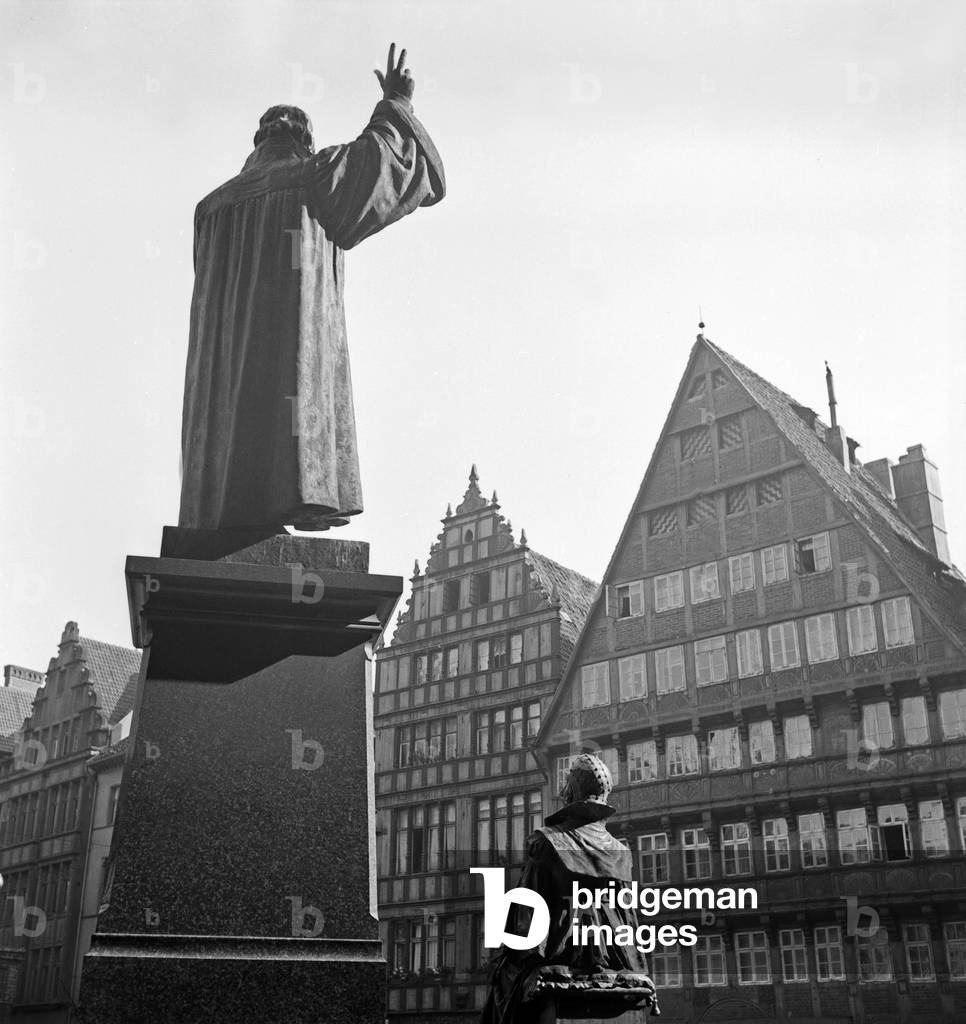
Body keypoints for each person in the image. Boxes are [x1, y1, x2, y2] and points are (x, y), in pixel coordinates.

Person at [178, 45, 445, 534]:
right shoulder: (313, 176)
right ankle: (293, 496)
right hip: (287, 372)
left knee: (237, 396)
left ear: (258, 142)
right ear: (303, 142)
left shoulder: (210, 210)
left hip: (224, 417)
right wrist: (396, 103)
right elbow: (382, 163)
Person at [480, 753, 657, 1023]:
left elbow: (526, 920)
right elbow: (629, 926)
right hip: (615, 959)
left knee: (502, 984)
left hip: (559, 954)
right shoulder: (621, 852)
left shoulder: (547, 843)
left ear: (571, 792)